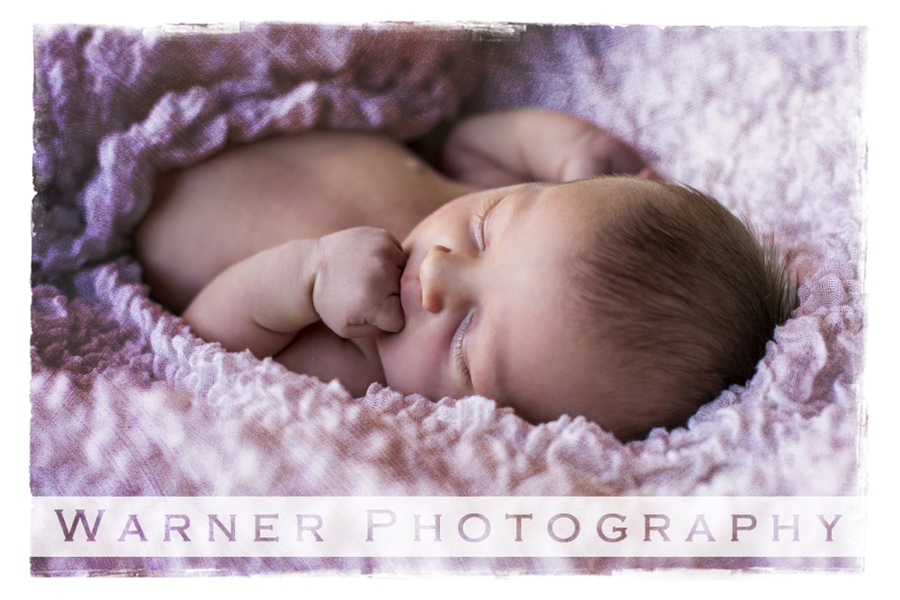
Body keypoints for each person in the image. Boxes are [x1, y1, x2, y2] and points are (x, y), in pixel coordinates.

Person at [134, 109, 796, 441]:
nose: (442, 272)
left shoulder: (350, 365)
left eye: (465, 342)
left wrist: (307, 275)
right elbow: (467, 140)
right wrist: (561, 145)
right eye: (487, 228)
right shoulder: (470, 198)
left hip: (134, 184)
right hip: (252, 106)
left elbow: (202, 344)